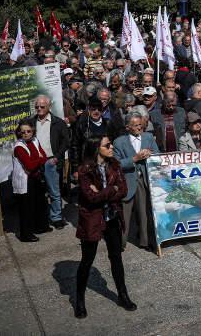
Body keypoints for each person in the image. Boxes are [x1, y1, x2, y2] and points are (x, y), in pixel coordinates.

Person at [74, 135, 136, 318]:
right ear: (96, 149)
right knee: (87, 261)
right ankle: (78, 300)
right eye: (107, 145)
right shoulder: (85, 171)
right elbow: (91, 198)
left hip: (112, 217)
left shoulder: (115, 164)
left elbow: (123, 190)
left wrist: (104, 192)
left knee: (116, 257)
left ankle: (123, 295)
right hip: (92, 220)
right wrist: (111, 190)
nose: (111, 147)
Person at [113, 112, 159, 249]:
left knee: (144, 212)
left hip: (143, 179)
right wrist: (134, 159)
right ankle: (120, 242)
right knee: (125, 215)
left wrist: (150, 154)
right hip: (127, 180)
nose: (139, 128)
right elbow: (116, 164)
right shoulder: (119, 142)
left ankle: (145, 241)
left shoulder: (149, 137)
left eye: (141, 125)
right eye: (136, 126)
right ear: (128, 127)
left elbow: (158, 155)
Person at [30, 95, 71, 229]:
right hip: (35, 162)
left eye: (42, 106)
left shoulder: (58, 122)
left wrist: (57, 157)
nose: (39, 109)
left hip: (50, 161)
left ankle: (56, 217)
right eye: (37, 106)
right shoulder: (30, 122)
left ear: (49, 107)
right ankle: (41, 218)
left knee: (54, 191)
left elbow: (66, 141)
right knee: (37, 192)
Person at [11, 121, 49, 242]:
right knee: (26, 208)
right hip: (25, 180)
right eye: (23, 132)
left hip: (35, 177)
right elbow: (30, 165)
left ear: (33, 131)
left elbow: (44, 155)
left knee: (39, 203)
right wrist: (39, 160)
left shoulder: (34, 140)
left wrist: (37, 160)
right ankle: (25, 234)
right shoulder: (19, 147)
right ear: (19, 133)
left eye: (29, 131)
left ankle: (39, 227)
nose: (26, 134)